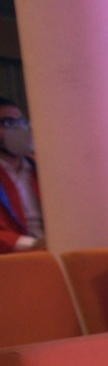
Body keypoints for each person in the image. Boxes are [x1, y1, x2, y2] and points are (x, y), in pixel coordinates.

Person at [0, 97, 42, 252]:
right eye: (8, 123)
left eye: (21, 122)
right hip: (12, 262)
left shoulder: (40, 169)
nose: (18, 129)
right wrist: (32, 245)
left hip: (51, 253)